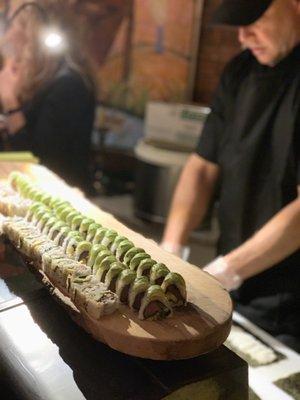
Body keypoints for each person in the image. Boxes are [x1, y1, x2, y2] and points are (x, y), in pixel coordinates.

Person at [162, 0, 300, 352]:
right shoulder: (239, 72)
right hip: (234, 282)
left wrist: (224, 271)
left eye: (254, 20)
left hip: (290, 304)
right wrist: (171, 248)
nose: (242, 36)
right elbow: (203, 167)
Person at [0, 1, 96, 193]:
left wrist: (11, 102)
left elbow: (44, 161)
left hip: (60, 200)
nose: (8, 35)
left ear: (32, 33)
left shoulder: (69, 84)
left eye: (17, 25)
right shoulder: (37, 75)